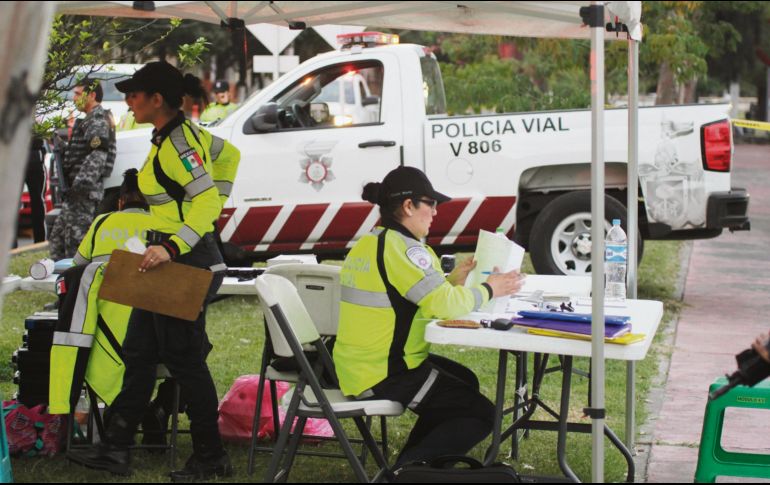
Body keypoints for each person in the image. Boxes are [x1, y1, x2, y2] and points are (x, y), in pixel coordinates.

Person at [66, 61, 234, 481]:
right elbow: (230, 156)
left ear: (157, 99)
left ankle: (211, 457)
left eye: (134, 94)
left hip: (185, 262)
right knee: (138, 351)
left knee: (185, 361)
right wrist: (180, 234)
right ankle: (116, 448)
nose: (127, 101)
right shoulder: (175, 136)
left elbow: (207, 201)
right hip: (167, 259)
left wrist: (176, 242)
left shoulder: (178, 144)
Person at [333, 165, 525, 467]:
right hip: (385, 372)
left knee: (464, 381)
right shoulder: (406, 250)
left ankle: (417, 464)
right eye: (431, 203)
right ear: (409, 206)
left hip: (359, 364)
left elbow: (410, 297)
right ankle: (410, 471)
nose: (435, 212)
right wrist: (491, 288)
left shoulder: (371, 242)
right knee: (480, 413)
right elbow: (444, 306)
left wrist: (451, 282)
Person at [50, 169, 159, 417]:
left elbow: (77, 269)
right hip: (151, 335)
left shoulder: (101, 223)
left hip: (101, 334)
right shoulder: (161, 224)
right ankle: (157, 408)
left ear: (120, 202)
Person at [49, 78, 116, 261]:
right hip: (75, 194)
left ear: (92, 95)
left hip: (83, 195)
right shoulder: (89, 120)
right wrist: (59, 144)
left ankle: (76, 278)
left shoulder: (97, 119)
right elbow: (78, 155)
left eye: (78, 94)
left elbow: (97, 156)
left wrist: (79, 187)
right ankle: (61, 276)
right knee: (58, 240)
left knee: (76, 246)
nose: (74, 98)